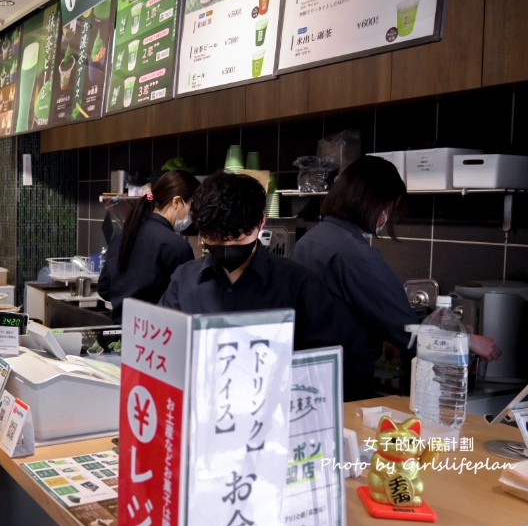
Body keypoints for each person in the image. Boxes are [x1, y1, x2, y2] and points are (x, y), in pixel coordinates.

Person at [290, 155, 501, 394]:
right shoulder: (356, 254)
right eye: (390, 206)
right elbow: (404, 328)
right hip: (345, 383)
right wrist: (466, 341)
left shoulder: (310, 240)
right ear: (375, 203)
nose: (388, 215)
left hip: (309, 376)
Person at [158, 171, 369, 397]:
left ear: (262, 222)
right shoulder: (184, 280)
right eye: (216, 239)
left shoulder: (301, 286)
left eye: (238, 239)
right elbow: (162, 348)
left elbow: (319, 371)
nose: (227, 246)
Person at [96, 170, 200, 323]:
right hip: (156, 337)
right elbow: (187, 302)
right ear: (177, 202)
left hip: (120, 335)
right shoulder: (176, 246)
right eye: (192, 206)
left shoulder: (123, 233)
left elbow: (104, 289)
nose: (193, 214)